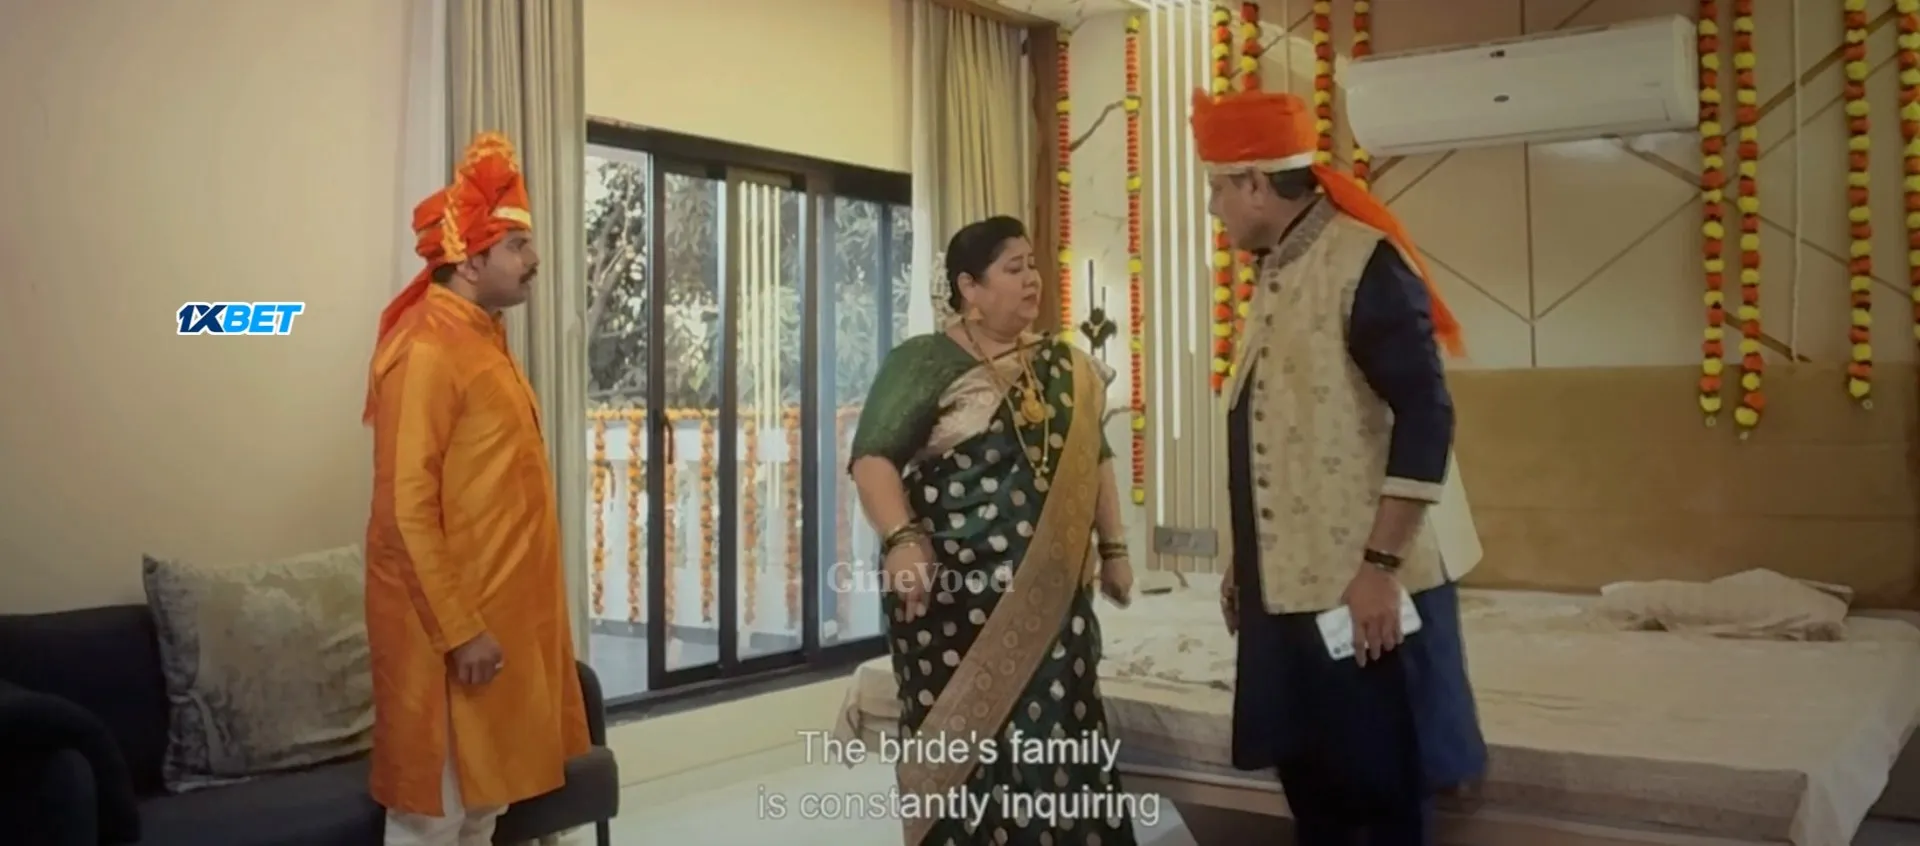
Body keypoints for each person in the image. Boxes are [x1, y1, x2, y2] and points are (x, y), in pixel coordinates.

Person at [1190, 89, 1490, 846]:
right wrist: (1244, 562)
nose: (1213, 208)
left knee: (1377, 798)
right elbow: (1275, 430)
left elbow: (1427, 417)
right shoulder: (1278, 269)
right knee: (1315, 794)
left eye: (1218, 188)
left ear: (1255, 183)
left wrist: (1380, 567)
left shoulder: (1364, 263)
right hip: (1287, 593)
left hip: (1359, 595)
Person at [848, 215, 1140, 846]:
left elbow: (1095, 457)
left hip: (1053, 607)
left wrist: (1114, 548)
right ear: (969, 288)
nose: (1033, 279)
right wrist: (900, 540)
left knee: (1060, 743)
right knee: (969, 766)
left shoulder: (1065, 366)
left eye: (1033, 265)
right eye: (1014, 268)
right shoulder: (923, 363)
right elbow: (872, 459)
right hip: (953, 607)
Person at [362, 131, 588, 846]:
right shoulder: (426, 348)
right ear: (469, 260)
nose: (534, 260)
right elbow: (404, 511)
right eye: (517, 246)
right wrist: (460, 630)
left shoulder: (481, 339)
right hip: (448, 640)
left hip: (498, 635)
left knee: (483, 814)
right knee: (434, 820)